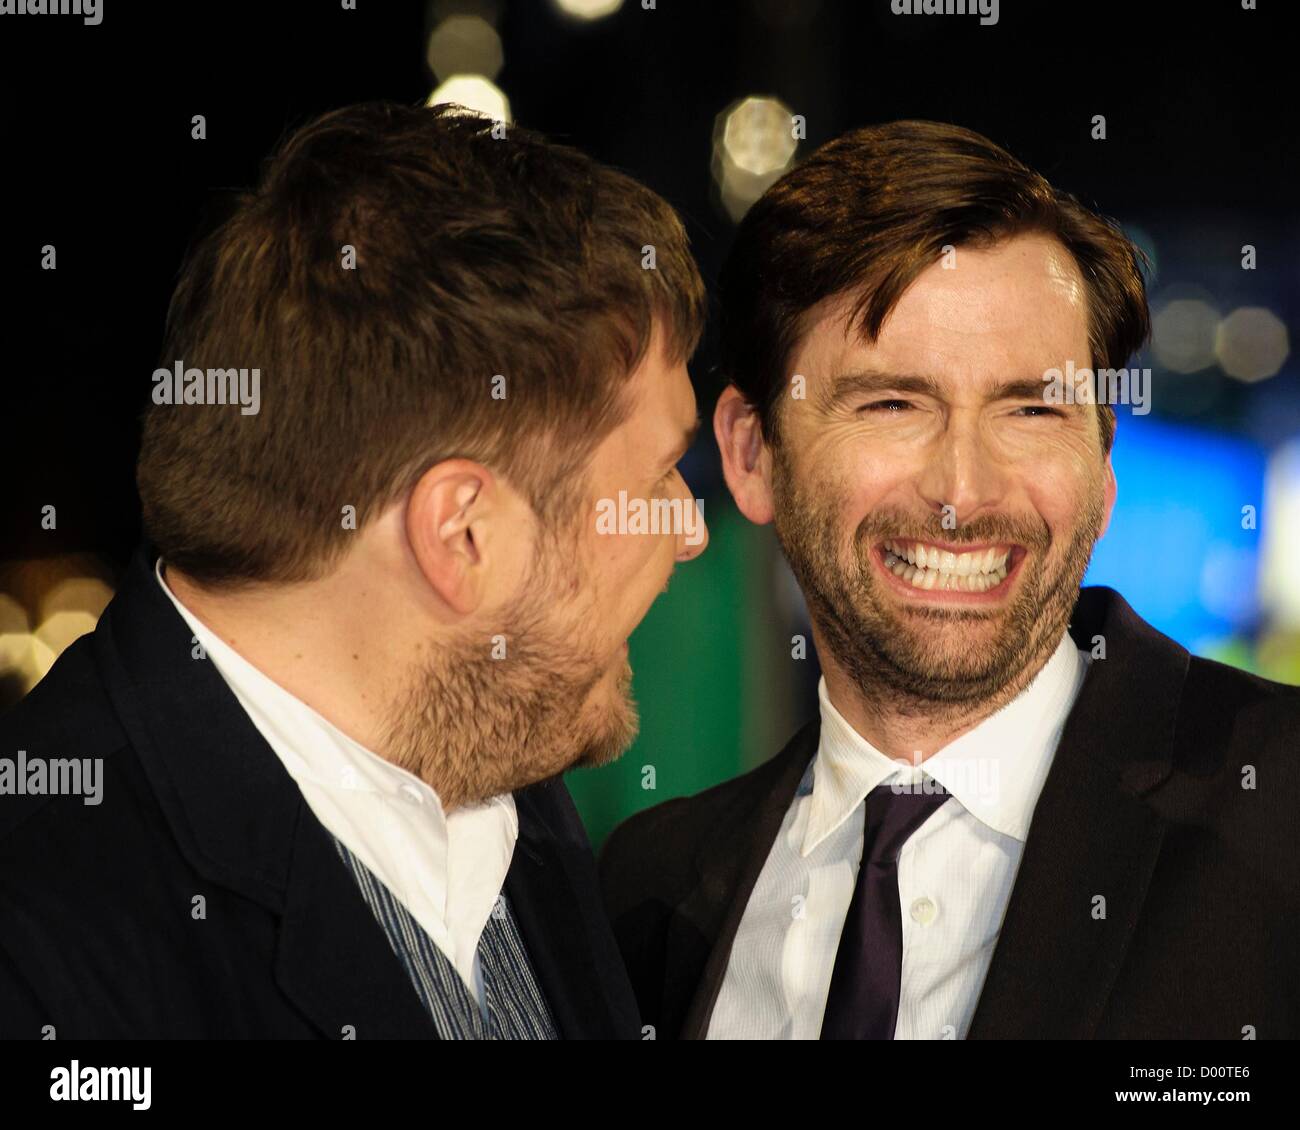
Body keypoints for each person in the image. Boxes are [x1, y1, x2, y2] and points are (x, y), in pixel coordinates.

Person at [0, 101, 708, 1039]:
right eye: (661, 474)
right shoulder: (41, 949)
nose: (691, 529)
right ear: (463, 535)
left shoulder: (497, 762)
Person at [599, 120, 1300, 1040]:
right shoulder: (643, 891)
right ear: (751, 452)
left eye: (1032, 409)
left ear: (1103, 462)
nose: (962, 494)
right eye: (893, 403)